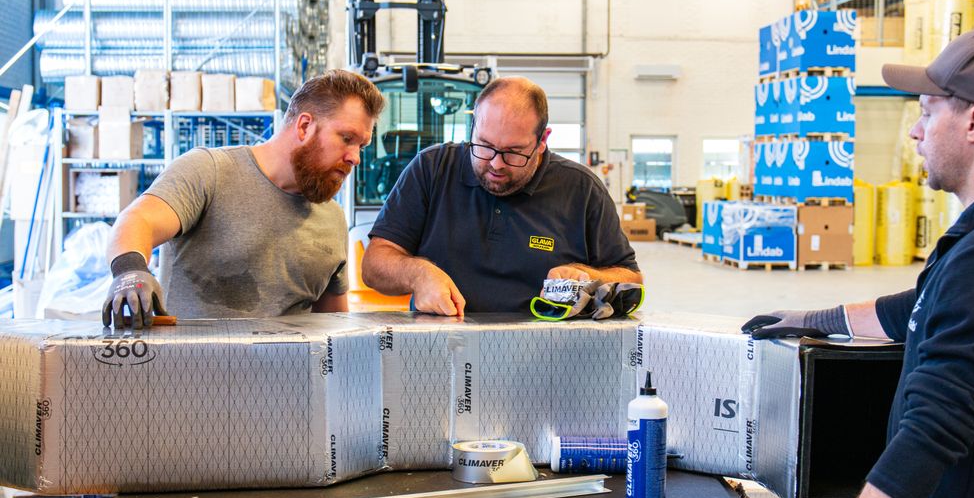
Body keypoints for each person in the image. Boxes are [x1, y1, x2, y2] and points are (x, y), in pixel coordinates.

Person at [743, 29, 974, 498]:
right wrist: (818, 318)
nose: (915, 131)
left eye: (926, 112)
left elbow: (930, 434)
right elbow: (921, 308)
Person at [102, 69, 385, 327]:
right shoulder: (209, 172)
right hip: (189, 375)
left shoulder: (332, 219)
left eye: (362, 145)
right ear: (304, 127)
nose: (355, 158)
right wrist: (129, 271)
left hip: (285, 380)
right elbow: (137, 219)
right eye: (347, 138)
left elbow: (332, 326)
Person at [362, 76, 642, 316]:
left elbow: (632, 280)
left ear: (543, 140)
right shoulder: (431, 169)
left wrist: (588, 277)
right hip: (443, 350)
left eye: (513, 152)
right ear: (473, 127)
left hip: (546, 356)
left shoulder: (582, 190)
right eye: (484, 146)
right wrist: (418, 274)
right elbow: (374, 265)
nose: (496, 163)